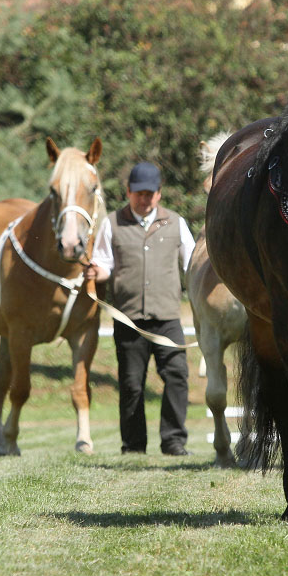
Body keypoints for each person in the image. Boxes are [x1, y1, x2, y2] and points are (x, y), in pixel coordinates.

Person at [85, 161, 197, 455]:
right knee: (132, 385)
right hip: (129, 317)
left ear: (159, 193)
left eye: (149, 193)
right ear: (128, 192)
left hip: (168, 317)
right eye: (138, 194)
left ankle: (173, 441)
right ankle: (133, 446)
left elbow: (192, 266)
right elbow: (105, 264)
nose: (144, 199)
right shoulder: (112, 223)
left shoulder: (176, 223)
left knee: (177, 376)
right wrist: (97, 273)